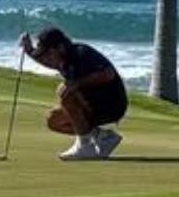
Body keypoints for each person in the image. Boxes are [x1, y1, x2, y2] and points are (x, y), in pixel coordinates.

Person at [19, 26, 128, 161]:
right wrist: (29, 50)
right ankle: (103, 136)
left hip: (111, 105)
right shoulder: (61, 60)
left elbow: (108, 74)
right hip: (90, 105)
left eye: (49, 53)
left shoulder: (81, 54)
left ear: (60, 47)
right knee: (53, 120)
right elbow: (46, 61)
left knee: (67, 93)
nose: (47, 58)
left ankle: (84, 146)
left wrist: (76, 83)